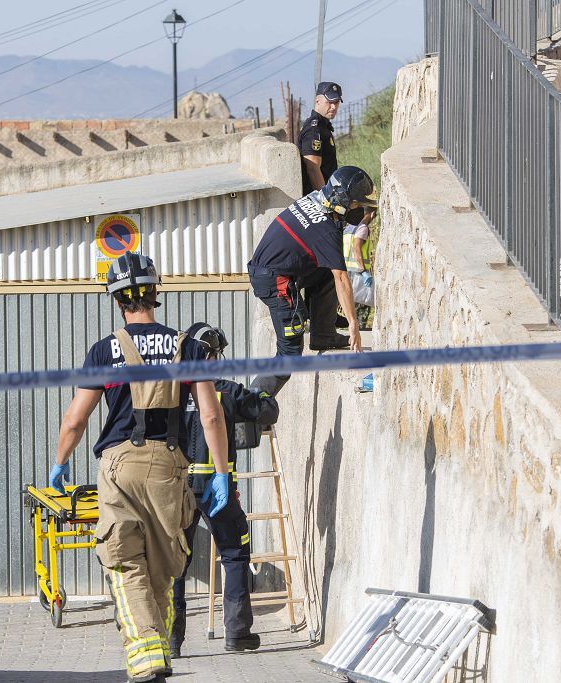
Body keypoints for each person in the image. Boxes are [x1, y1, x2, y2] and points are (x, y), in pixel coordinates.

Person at [48, 253, 231, 683]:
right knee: (164, 567)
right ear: (156, 292)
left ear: (116, 301)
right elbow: (210, 416)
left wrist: (59, 463)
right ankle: (159, 649)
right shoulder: (189, 347)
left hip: (119, 466)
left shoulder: (104, 350)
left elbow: (76, 418)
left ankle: (146, 655)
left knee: (124, 560)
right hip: (170, 466)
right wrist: (221, 472)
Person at [169, 323, 280, 658]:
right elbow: (267, 411)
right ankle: (237, 634)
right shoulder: (227, 391)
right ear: (210, 354)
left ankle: (171, 642)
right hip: (217, 490)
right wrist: (262, 392)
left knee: (175, 563)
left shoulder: (171, 391)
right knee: (234, 553)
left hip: (178, 488)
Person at [247, 165, 377, 395]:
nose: (358, 208)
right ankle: (251, 406)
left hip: (273, 271)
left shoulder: (313, 200)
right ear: (342, 200)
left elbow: (333, 270)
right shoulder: (325, 229)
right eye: (356, 203)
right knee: (289, 355)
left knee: (328, 267)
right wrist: (354, 325)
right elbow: (342, 279)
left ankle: (323, 334)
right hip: (274, 280)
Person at [298, 81, 343, 196]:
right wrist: (326, 200)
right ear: (317, 101)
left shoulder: (323, 126)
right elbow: (313, 168)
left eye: (336, 102)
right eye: (329, 102)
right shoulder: (314, 130)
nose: (333, 107)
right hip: (315, 199)